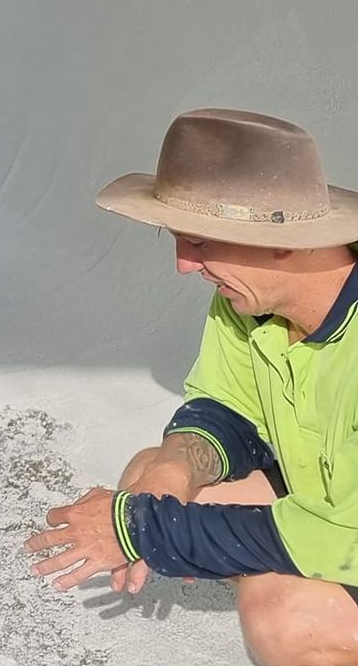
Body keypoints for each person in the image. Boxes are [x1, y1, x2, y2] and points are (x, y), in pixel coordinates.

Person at [28, 108, 358, 664]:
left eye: (202, 242)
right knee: (151, 474)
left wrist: (149, 533)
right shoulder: (250, 299)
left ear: (285, 242)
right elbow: (226, 406)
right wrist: (177, 465)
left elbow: (349, 538)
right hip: (334, 509)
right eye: (178, 239)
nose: (184, 265)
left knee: (284, 619)